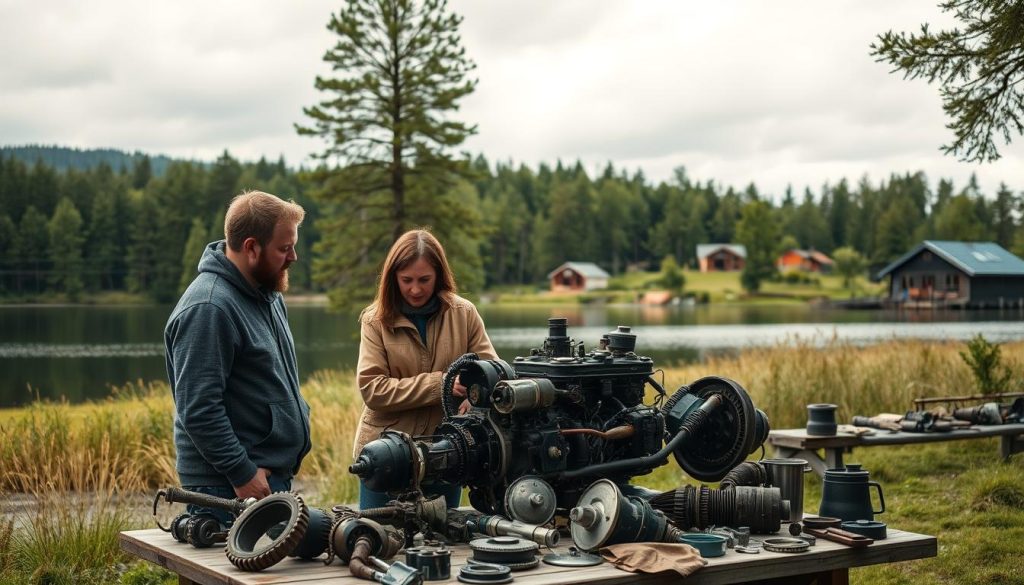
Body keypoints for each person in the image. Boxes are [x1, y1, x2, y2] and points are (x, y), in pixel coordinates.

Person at [164, 190, 311, 525]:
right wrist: (242, 474)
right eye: (284, 248)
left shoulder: (267, 292)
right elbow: (199, 410)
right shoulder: (209, 307)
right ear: (251, 248)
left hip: (261, 478)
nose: (294, 257)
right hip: (228, 489)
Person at [353, 229, 496, 510]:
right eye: (406, 280)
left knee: (445, 543)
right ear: (393, 278)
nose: (415, 289)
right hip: (385, 456)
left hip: (448, 453)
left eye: (424, 280)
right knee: (376, 540)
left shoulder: (464, 313)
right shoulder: (375, 320)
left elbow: (492, 372)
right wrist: (440, 384)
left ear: (439, 276)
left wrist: (474, 399)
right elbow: (373, 390)